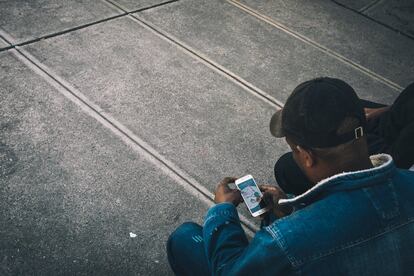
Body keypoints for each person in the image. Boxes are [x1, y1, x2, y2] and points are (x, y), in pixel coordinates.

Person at [167, 77, 414, 275]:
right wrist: (286, 214)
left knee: (185, 238)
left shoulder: (286, 239)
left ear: (306, 156)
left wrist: (222, 211)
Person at [273, 81, 414, 196]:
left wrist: (280, 215)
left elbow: (397, 163)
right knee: (330, 102)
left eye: (295, 150)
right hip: (391, 124)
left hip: (397, 155)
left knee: (286, 168)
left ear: (307, 157)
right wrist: (383, 111)